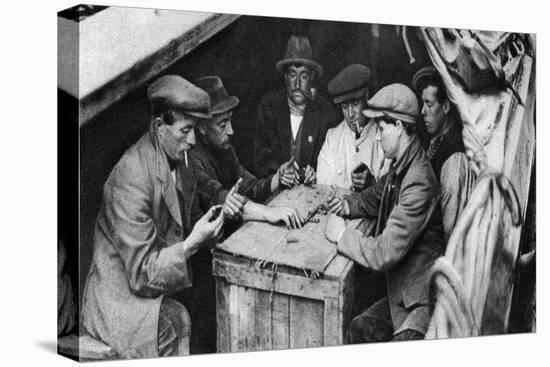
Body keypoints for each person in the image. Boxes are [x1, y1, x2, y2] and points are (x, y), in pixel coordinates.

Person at [80, 75, 226, 359]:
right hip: (119, 302)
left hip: (151, 291)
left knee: (192, 310)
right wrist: (193, 243)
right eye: (185, 130)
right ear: (160, 127)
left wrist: (208, 232)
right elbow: (142, 275)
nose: (193, 140)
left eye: (195, 129)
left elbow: (185, 222)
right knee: (174, 322)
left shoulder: (178, 160)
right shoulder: (130, 177)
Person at [186, 75, 304, 353]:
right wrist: (271, 214)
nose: (232, 132)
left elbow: (246, 182)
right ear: (201, 128)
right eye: (222, 124)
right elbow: (222, 198)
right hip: (199, 265)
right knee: (210, 333)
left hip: (224, 251)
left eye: (230, 121)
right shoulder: (192, 160)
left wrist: (276, 180)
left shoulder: (222, 148)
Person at [327, 84, 445, 342]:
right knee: (358, 326)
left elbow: (383, 253)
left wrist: (341, 236)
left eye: (381, 129)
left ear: (400, 127)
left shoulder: (419, 181)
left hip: (417, 304)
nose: (378, 137)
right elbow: (377, 195)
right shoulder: (403, 164)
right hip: (400, 291)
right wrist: (347, 205)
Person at [253, 35, 338, 182]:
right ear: (285, 76)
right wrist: (278, 174)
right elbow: (261, 156)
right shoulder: (269, 106)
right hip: (276, 192)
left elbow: (333, 161)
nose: (297, 83)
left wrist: (317, 173)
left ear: (312, 76)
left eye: (303, 76)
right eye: (293, 74)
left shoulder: (325, 112)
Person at [412, 67, 472, 241]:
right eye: (422, 103)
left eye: (429, 104)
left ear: (445, 106)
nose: (423, 111)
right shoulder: (436, 140)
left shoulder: (454, 159)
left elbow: (452, 232)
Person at [317, 64, 391, 191]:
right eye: (345, 107)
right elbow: (322, 186)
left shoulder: (384, 135)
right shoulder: (333, 138)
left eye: (356, 104)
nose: (350, 114)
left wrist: (372, 184)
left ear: (366, 96)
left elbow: (390, 192)